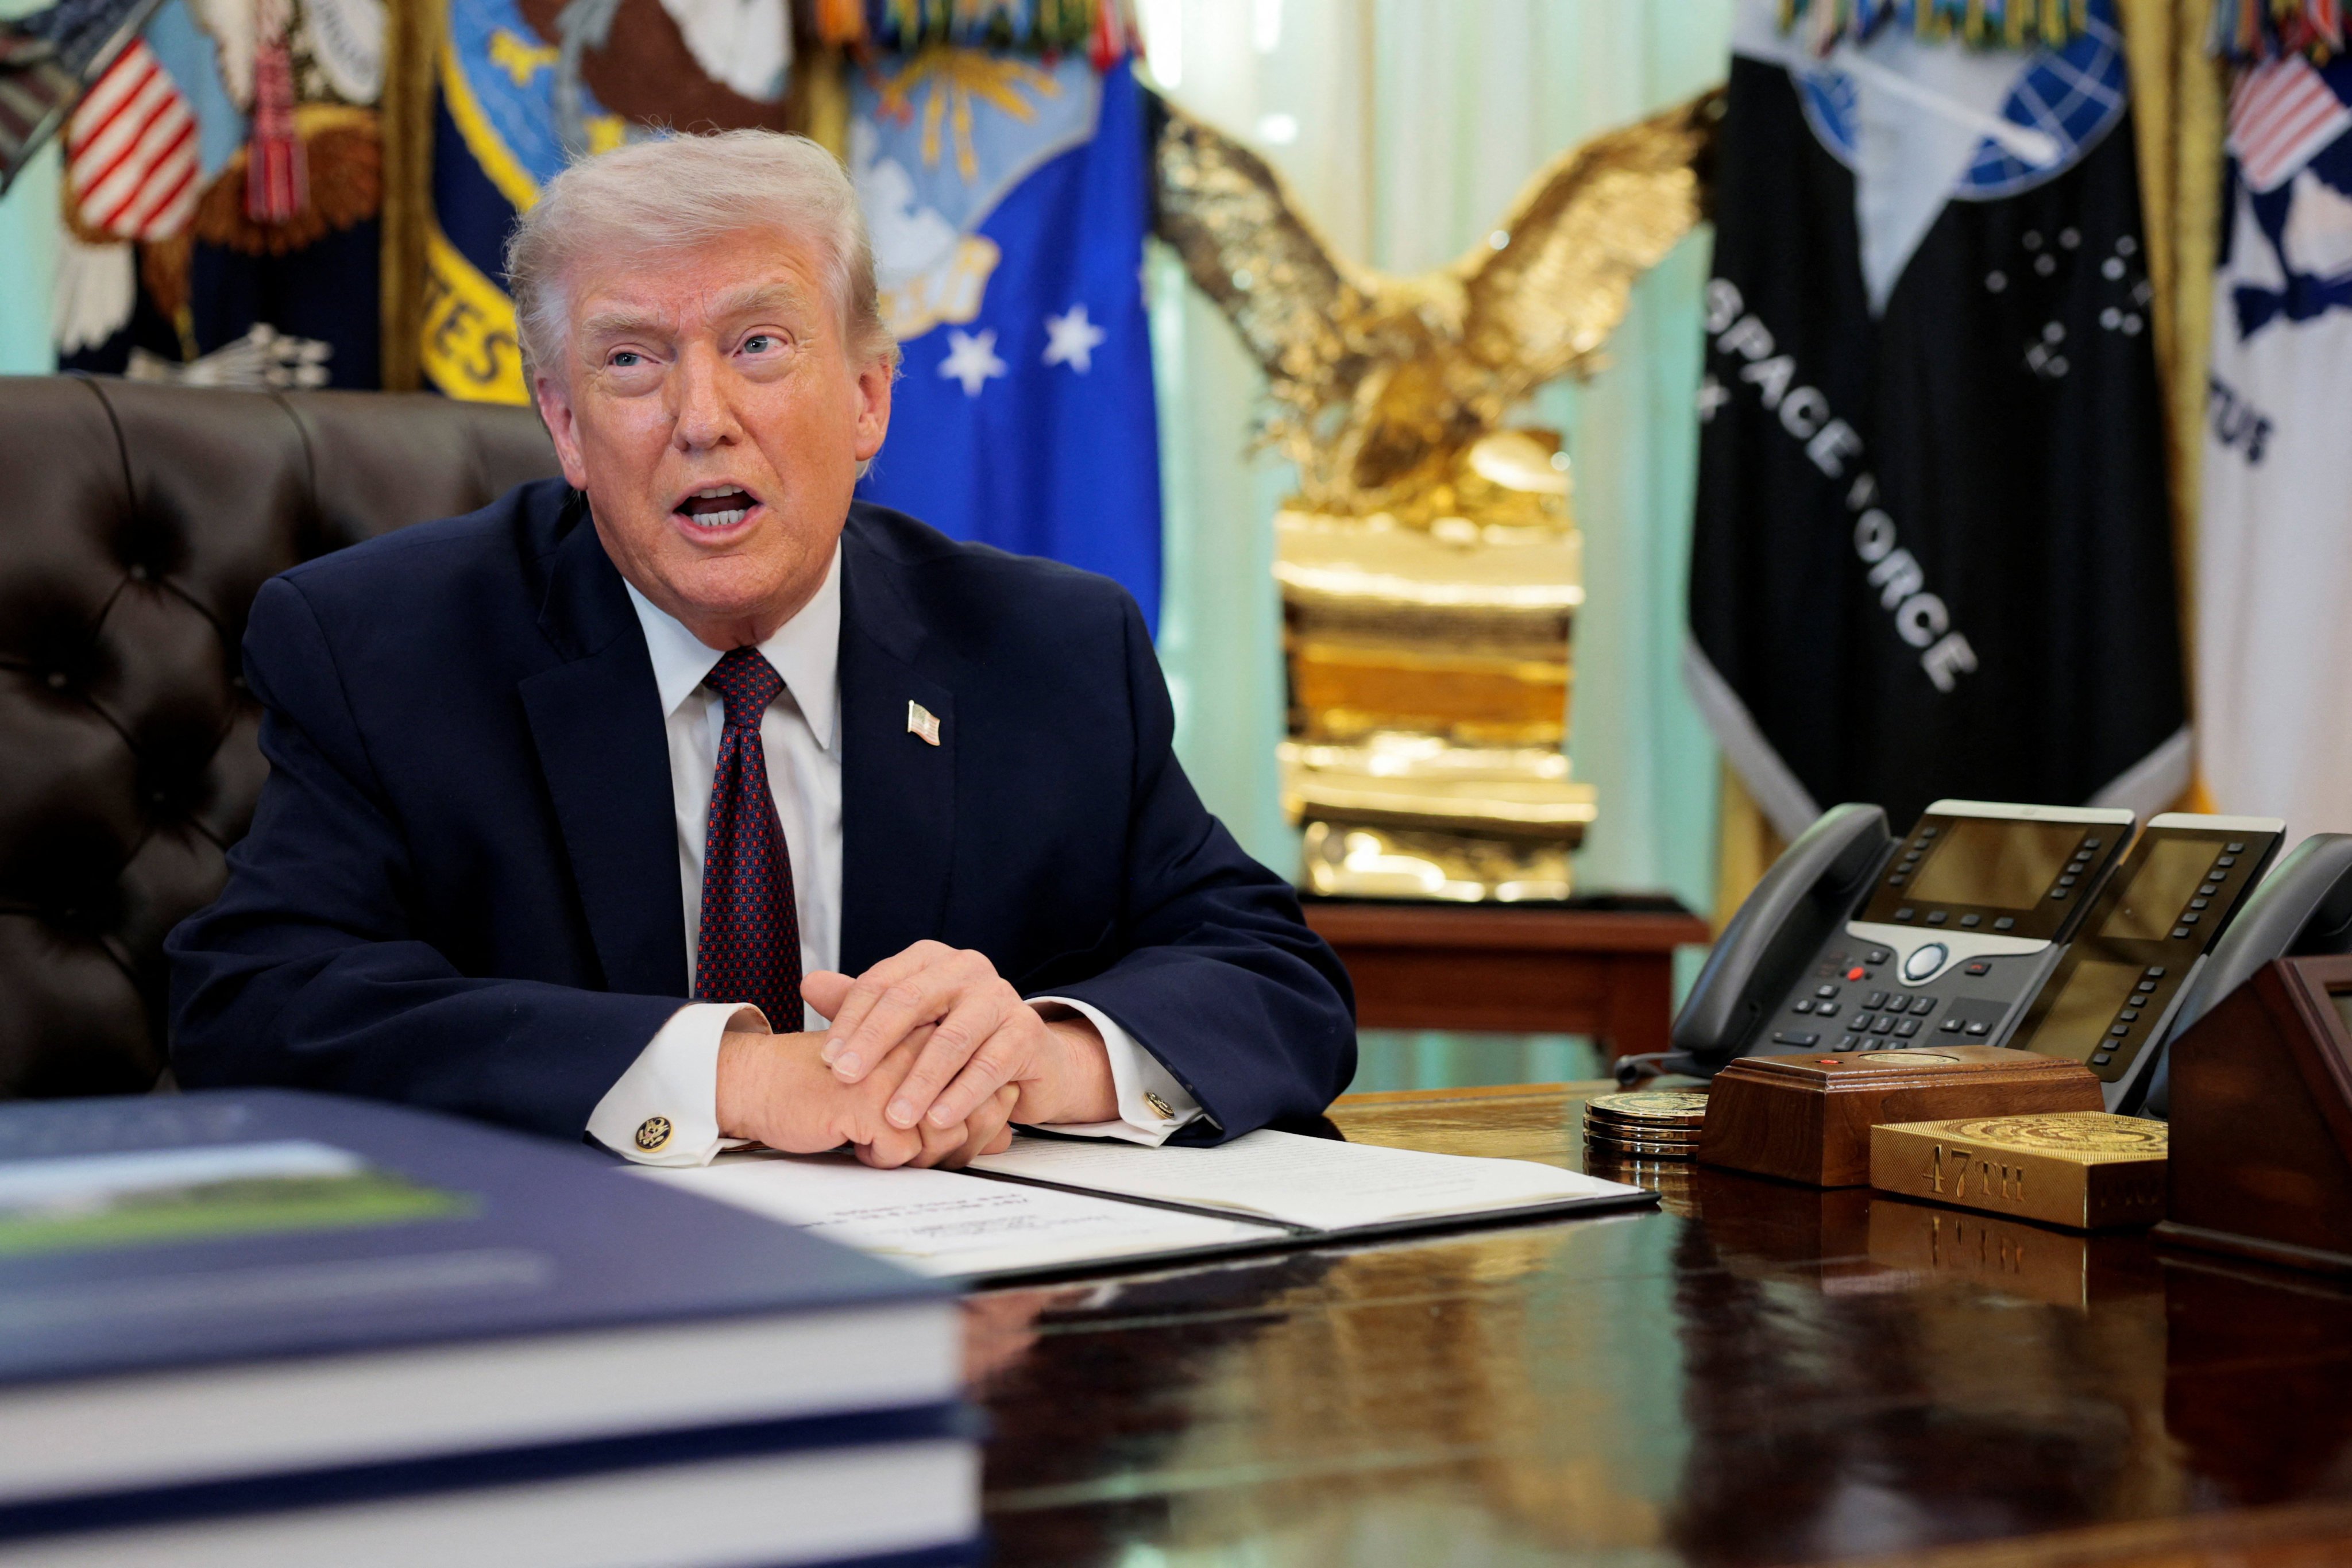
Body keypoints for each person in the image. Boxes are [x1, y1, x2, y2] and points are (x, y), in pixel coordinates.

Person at [167, 130, 1355, 1169]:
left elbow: (1272, 978)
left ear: (869, 401)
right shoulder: (385, 647)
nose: (700, 418)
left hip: (979, 1323)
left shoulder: (1048, 649)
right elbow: (258, 1004)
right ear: (566, 426)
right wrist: (737, 1079)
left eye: (759, 345)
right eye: (630, 360)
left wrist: (1036, 1060)